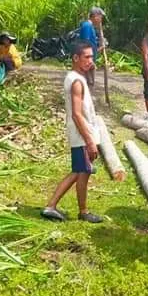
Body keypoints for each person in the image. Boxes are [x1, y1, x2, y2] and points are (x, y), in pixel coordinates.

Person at [40, 41, 103, 224]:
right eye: (87, 57)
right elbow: (77, 114)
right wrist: (90, 140)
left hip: (83, 134)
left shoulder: (77, 77)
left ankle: (83, 211)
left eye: (92, 57)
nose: (91, 61)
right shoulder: (76, 81)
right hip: (81, 135)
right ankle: (51, 206)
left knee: (83, 172)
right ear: (75, 58)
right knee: (78, 172)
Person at [77, 6, 105, 88]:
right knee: (88, 83)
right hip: (87, 61)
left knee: (90, 84)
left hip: (89, 61)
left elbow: (91, 46)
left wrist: (100, 48)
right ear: (95, 16)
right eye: (100, 17)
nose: (101, 20)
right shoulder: (87, 26)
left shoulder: (90, 27)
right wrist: (89, 60)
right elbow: (85, 44)